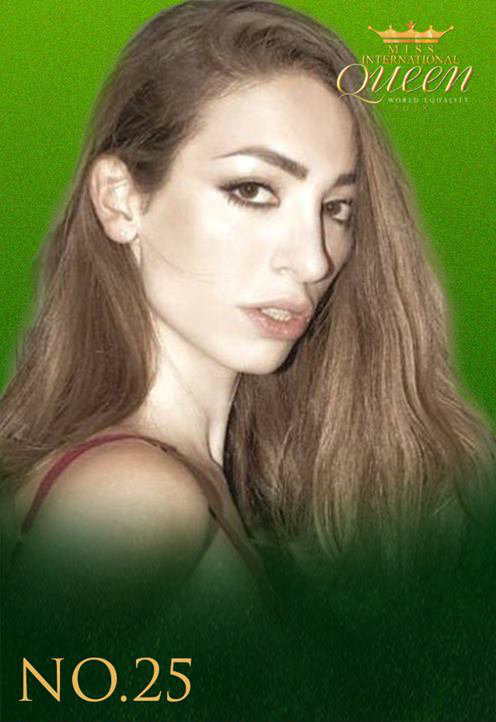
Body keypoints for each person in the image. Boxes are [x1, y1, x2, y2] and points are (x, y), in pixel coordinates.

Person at [1, 0, 495, 625]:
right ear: (120, 200)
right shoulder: (135, 496)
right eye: (252, 190)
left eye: (336, 208)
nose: (313, 260)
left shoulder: (189, 482)